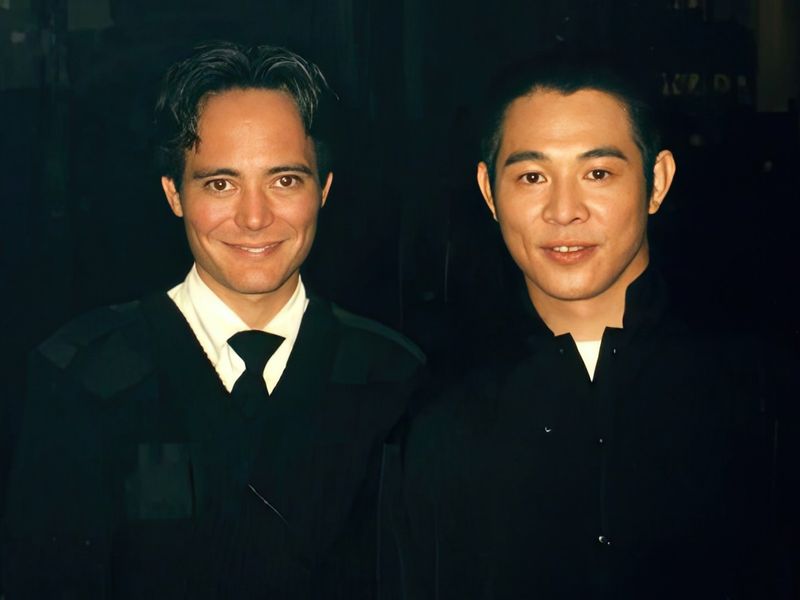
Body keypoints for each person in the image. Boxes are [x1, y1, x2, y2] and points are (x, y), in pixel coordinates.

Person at [3, 42, 423, 599]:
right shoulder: (83, 375)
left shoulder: (395, 379)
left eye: (284, 180)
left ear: (323, 189)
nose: (254, 217)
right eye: (221, 184)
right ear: (174, 193)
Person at [394, 54, 779, 599]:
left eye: (598, 173)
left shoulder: (760, 392)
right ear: (489, 192)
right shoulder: (429, 412)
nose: (564, 210)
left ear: (657, 181)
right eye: (532, 177)